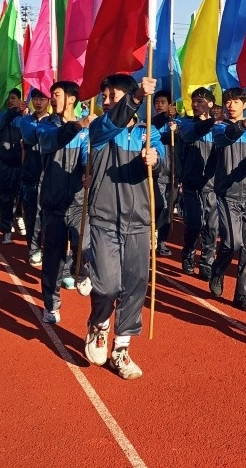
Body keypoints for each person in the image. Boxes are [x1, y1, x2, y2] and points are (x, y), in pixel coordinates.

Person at [80, 74, 161, 380]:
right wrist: (137, 96)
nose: (106, 101)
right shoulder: (101, 130)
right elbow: (112, 121)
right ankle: (99, 324)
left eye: (112, 96)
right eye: (104, 96)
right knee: (107, 285)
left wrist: (156, 158)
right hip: (104, 218)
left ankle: (121, 348)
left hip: (139, 222)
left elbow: (162, 160)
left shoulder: (148, 133)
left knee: (135, 286)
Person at [30, 80, 94, 324]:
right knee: (52, 259)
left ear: (71, 99)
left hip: (78, 203)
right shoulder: (46, 126)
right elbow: (50, 143)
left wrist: (89, 172)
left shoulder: (87, 129)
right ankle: (51, 304)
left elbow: (88, 157)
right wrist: (78, 125)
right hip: (53, 205)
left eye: (55, 94)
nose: (51, 99)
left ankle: (82, 272)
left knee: (84, 244)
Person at [210, 87, 246, 311]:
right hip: (227, 195)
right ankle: (218, 270)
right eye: (228, 101)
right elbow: (224, 140)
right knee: (233, 243)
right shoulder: (220, 127)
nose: (231, 105)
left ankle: (243, 293)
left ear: (245, 103)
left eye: (235, 101)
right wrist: (244, 125)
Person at [174, 87, 218, 277]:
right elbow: (191, 133)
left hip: (212, 185)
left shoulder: (218, 128)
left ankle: (207, 262)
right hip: (191, 184)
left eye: (200, 101)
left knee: (212, 226)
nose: (195, 104)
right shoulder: (185, 124)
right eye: (193, 101)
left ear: (210, 103)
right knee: (194, 224)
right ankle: (188, 252)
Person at [19, 89, 51, 267]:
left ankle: (46, 248)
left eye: (42, 98)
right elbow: (31, 137)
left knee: (47, 217)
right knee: (31, 215)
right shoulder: (26, 121)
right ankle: (33, 249)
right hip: (31, 176)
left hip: (49, 177)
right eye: (35, 98)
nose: (38, 102)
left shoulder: (54, 122)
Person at [0, 89, 25, 245]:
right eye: (8, 98)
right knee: (5, 197)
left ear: (20, 99)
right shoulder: (1, 116)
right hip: (5, 165)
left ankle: (18, 217)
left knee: (23, 198)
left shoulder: (26, 118)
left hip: (22, 166)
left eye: (13, 98)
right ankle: (6, 229)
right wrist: (14, 112)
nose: (10, 101)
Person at [150, 90, 177, 257]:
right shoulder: (151, 123)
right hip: (157, 173)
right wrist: (165, 117)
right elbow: (156, 130)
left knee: (169, 210)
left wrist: (176, 128)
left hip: (174, 173)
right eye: (157, 102)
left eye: (163, 102)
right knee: (159, 206)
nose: (159, 105)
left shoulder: (177, 122)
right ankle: (152, 234)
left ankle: (161, 240)